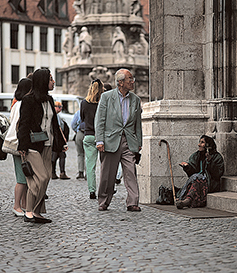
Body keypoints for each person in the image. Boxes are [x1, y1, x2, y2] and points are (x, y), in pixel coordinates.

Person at [17, 69, 67, 223]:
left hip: (48, 145)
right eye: (51, 79)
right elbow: (23, 124)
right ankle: (29, 211)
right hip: (33, 145)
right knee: (40, 177)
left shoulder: (49, 100)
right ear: (42, 81)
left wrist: (61, 143)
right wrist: (22, 146)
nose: (53, 82)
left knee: (44, 179)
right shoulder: (29, 100)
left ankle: (37, 212)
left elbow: (53, 125)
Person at [95, 68, 142, 211]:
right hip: (110, 141)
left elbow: (137, 124)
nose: (133, 82)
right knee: (107, 175)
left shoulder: (136, 100)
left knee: (131, 172)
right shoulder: (106, 97)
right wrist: (99, 140)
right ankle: (104, 201)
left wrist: (139, 143)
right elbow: (100, 120)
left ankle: (133, 202)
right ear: (120, 82)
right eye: (130, 79)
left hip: (129, 141)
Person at [4, 78, 32, 216]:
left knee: (24, 177)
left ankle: (23, 204)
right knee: (22, 178)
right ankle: (17, 206)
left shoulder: (16, 104)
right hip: (19, 143)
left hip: (16, 142)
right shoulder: (22, 104)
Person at [176, 135, 224, 209]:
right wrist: (187, 167)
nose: (199, 145)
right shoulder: (196, 156)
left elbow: (217, 174)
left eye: (202, 142)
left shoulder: (217, 157)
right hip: (197, 180)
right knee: (195, 180)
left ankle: (187, 201)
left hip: (210, 183)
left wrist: (210, 162)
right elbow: (192, 173)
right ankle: (186, 199)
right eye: (199, 142)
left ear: (208, 145)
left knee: (197, 181)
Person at [80, 79, 104, 199]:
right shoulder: (103, 102)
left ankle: (92, 191)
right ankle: (106, 189)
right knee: (105, 165)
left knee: (90, 166)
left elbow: (82, 118)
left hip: (88, 135)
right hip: (102, 137)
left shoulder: (84, 103)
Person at [51, 101, 70, 180]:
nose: (60, 108)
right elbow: (59, 128)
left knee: (57, 155)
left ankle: (54, 173)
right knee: (59, 155)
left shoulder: (56, 116)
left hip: (56, 139)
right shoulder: (55, 116)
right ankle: (60, 173)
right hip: (57, 139)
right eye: (59, 107)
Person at [71, 109, 86, 179]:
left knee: (80, 154)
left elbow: (73, 123)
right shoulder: (94, 109)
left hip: (80, 132)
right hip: (90, 133)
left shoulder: (79, 112)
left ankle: (80, 172)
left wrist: (76, 130)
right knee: (89, 154)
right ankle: (88, 173)